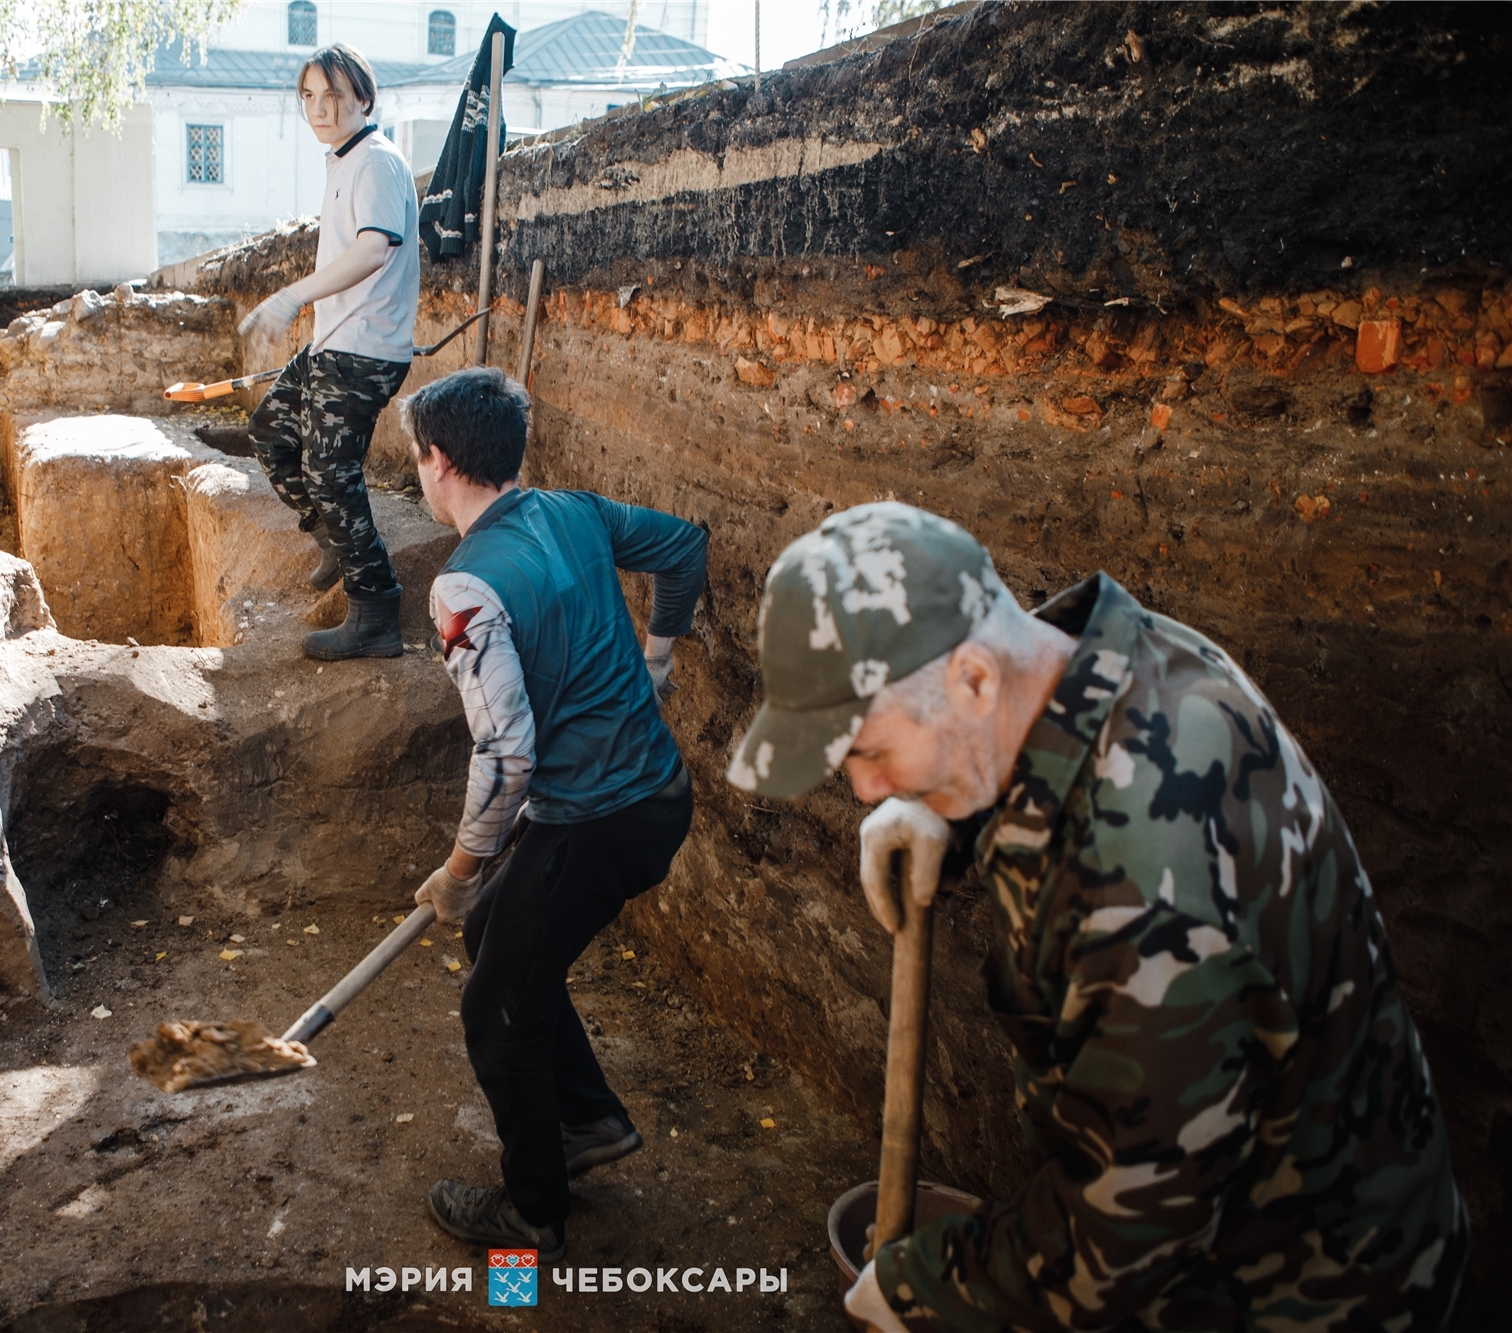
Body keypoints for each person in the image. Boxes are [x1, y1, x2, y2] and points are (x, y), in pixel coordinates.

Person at [727, 502, 1468, 1332]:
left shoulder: (1140, 877)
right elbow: (1043, 701)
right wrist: (955, 810)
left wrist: (920, 1285)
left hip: (1299, 1288)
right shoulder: (1119, 653)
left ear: (974, 679)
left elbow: (1128, 1230)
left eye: (869, 749)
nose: (863, 788)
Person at [402, 367, 707, 1261]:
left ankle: (530, 1219)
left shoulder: (465, 592)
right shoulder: (572, 511)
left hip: (594, 820)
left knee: (494, 1008)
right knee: (499, 941)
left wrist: (459, 872)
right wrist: (656, 659)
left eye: (417, 454)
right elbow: (684, 546)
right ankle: (589, 1121)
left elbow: (506, 758)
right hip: (655, 795)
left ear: (439, 459)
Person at [238, 43, 419, 660]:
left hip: (365, 351)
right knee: (269, 430)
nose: (319, 108)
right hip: (335, 343)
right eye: (309, 97)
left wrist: (291, 297)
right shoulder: (345, 161)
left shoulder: (376, 162)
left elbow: (373, 250)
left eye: (332, 95)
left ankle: (377, 612)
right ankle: (333, 541)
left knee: (330, 474)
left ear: (363, 98)